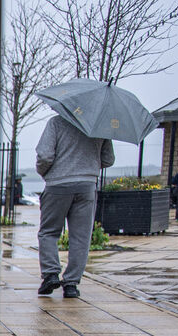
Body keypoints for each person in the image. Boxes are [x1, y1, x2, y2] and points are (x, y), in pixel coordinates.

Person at [35, 115, 115, 299]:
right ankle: (71, 284)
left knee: (48, 232)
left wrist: (45, 172)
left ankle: (51, 273)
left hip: (57, 184)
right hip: (87, 185)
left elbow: (45, 155)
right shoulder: (99, 125)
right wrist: (88, 163)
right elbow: (108, 159)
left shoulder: (56, 122)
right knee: (81, 237)